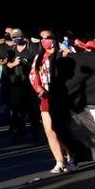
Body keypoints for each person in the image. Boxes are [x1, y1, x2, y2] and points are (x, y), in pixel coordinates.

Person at [30, 35, 77, 174]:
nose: (45, 40)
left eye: (48, 37)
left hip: (62, 96)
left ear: (54, 39)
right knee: (49, 130)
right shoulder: (38, 57)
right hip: (45, 96)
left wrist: (68, 52)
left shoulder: (62, 53)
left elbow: (76, 65)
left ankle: (72, 156)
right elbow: (33, 75)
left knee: (62, 130)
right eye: (42, 38)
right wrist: (39, 89)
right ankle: (59, 161)